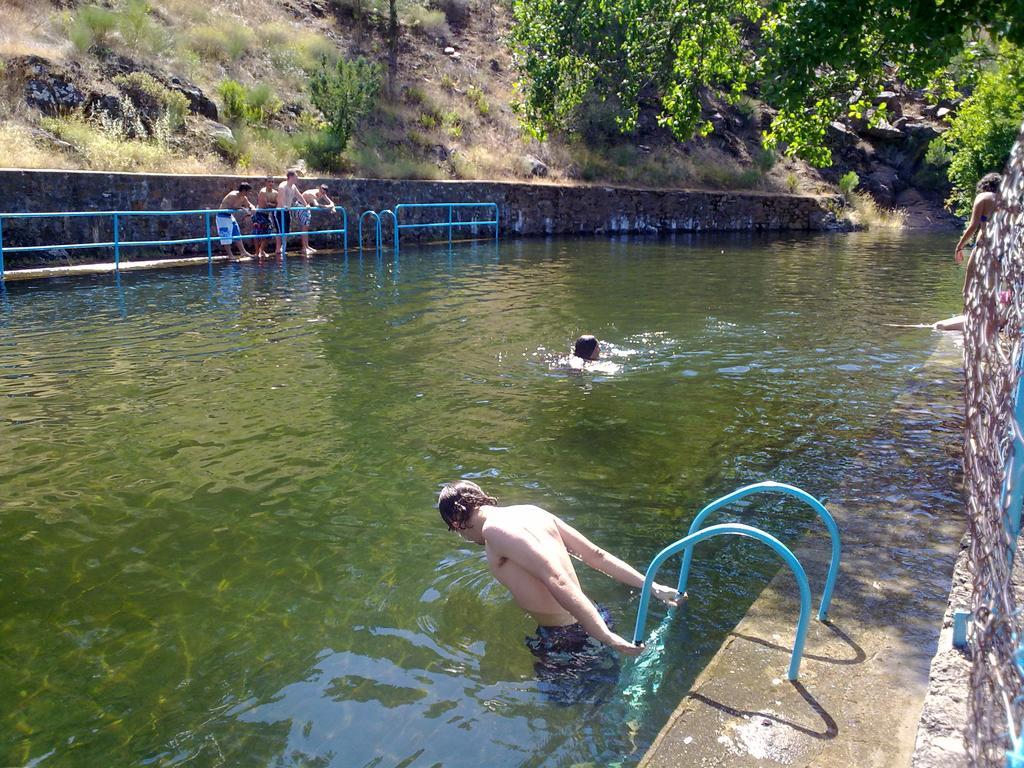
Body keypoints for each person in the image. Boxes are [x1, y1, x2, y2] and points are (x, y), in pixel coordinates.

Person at [436, 480, 682, 659]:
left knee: (576, 718)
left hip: (566, 638)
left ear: (456, 523)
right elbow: (596, 556)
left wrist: (606, 638)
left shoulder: (493, 531)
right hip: (596, 615)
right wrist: (654, 587)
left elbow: (557, 580)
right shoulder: (531, 511)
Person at [935, 173, 1002, 332]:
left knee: (969, 284)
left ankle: (967, 317)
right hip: (1002, 249)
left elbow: (973, 226)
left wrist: (959, 246)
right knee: (992, 286)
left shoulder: (983, 197)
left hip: (984, 245)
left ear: (985, 185)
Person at [296, 184, 338, 256]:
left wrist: (333, 207)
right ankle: (304, 248)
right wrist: (328, 207)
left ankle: (307, 246)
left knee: (306, 227)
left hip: (307, 206)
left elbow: (331, 202)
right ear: (319, 189)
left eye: (324, 193)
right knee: (304, 226)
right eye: (321, 192)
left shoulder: (323, 194)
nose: (322, 194)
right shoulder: (312, 194)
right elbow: (317, 205)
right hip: (301, 206)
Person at [216, 182, 254, 260]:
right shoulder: (233, 195)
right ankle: (230, 255)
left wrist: (251, 207)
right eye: (248, 191)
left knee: (237, 232)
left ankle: (243, 252)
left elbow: (249, 204)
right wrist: (243, 208)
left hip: (230, 216)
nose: (249, 193)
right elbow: (234, 206)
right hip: (222, 216)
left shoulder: (243, 197)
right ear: (243, 190)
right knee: (226, 235)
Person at [276, 169, 306, 256]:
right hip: (280, 211)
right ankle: (278, 249)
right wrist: (283, 207)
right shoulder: (283, 186)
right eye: (296, 176)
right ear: (291, 177)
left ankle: (283, 248)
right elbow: (279, 199)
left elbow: (299, 196)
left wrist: (306, 205)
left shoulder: (293, 187)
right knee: (280, 230)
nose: (297, 178)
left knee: (286, 230)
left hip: (287, 211)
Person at [253, 177, 280, 260]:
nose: (270, 183)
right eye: (269, 181)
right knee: (258, 233)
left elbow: (277, 204)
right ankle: (257, 252)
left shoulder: (275, 193)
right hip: (259, 214)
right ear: (265, 183)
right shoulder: (263, 192)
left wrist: (270, 203)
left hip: (267, 215)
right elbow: (264, 205)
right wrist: (271, 204)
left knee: (268, 233)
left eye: (272, 182)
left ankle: (262, 250)